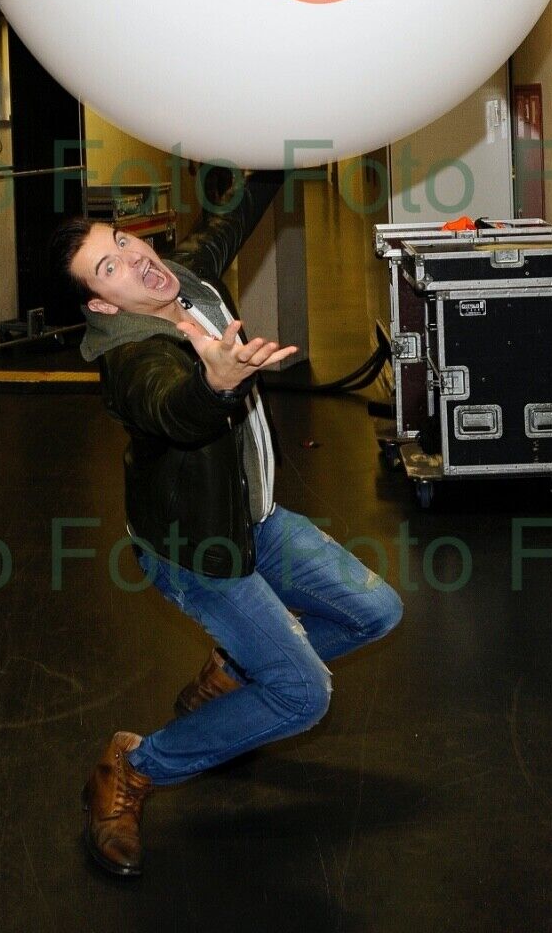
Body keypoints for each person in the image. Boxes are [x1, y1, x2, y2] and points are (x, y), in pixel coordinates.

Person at [50, 169, 403, 879]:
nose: (134, 260)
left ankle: (234, 667)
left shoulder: (184, 277)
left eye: (122, 240)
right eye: (109, 265)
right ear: (100, 301)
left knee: (375, 610)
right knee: (303, 694)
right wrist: (213, 383)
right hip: (200, 549)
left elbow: (230, 220)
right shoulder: (129, 356)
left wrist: (282, 144)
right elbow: (170, 408)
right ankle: (132, 769)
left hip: (259, 518)